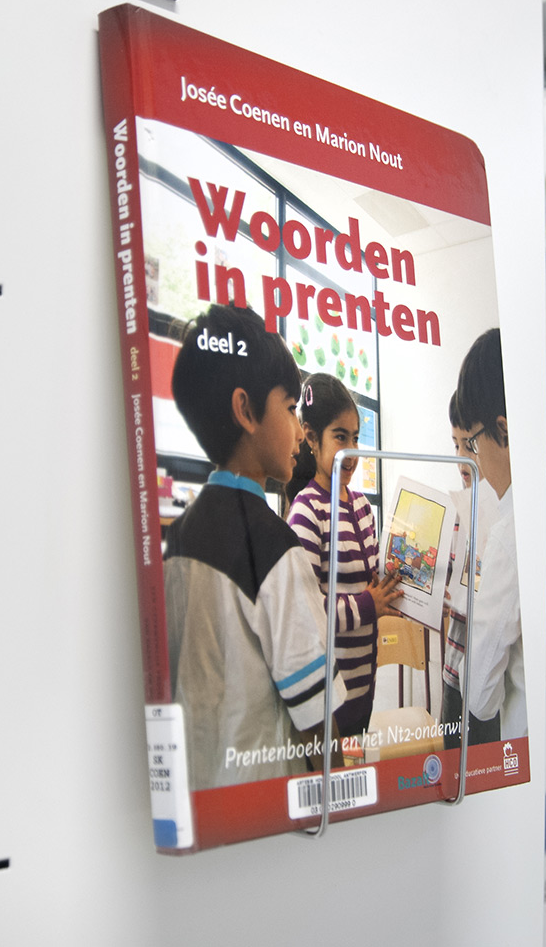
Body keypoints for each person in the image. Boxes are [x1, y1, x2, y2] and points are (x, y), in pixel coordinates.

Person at [163, 304, 343, 790]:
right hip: (268, 800)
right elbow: (318, 722)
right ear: (246, 410)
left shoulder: (177, 538)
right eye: (290, 409)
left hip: (201, 794)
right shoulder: (274, 548)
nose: (300, 434)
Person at [285, 373, 402, 740]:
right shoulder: (306, 512)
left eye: (355, 438)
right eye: (340, 437)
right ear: (310, 437)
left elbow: (374, 581)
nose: (352, 450)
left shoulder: (363, 506)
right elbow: (305, 612)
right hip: (329, 703)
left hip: (364, 692)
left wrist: (413, 585)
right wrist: (369, 604)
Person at [440, 328, 526, 745]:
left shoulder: (510, 535)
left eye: (471, 442)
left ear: (503, 432)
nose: (468, 457)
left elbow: (480, 694)